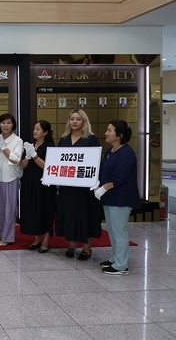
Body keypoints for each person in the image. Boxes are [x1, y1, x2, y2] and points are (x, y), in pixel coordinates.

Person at [95, 120, 140, 275]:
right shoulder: (110, 151)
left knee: (119, 232)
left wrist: (102, 189)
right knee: (112, 231)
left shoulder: (126, 154)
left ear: (119, 135)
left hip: (121, 198)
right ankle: (115, 259)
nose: (106, 133)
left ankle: (121, 265)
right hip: (110, 198)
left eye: (109, 130)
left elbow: (119, 178)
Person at [56, 109, 102, 260]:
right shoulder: (63, 139)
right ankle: (71, 245)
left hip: (84, 188)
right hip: (67, 187)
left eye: (78, 119)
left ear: (84, 121)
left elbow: (96, 162)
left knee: (85, 214)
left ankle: (86, 247)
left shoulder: (91, 139)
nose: (74, 122)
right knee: (69, 214)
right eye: (72, 119)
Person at [19, 120, 56, 253]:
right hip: (29, 183)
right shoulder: (31, 145)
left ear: (45, 132)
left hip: (44, 185)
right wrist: (28, 155)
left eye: (38, 129)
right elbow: (23, 165)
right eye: (34, 129)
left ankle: (45, 240)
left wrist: (34, 155)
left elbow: (47, 167)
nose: (35, 131)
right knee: (31, 210)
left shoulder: (50, 146)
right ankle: (36, 239)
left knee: (44, 210)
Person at [0, 113, 23, 246]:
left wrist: (4, 148)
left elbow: (15, 159)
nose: (5, 125)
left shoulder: (17, 141)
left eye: (8, 123)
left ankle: (8, 237)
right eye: (3, 123)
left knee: (10, 208)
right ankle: (0, 233)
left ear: (13, 125)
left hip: (11, 177)